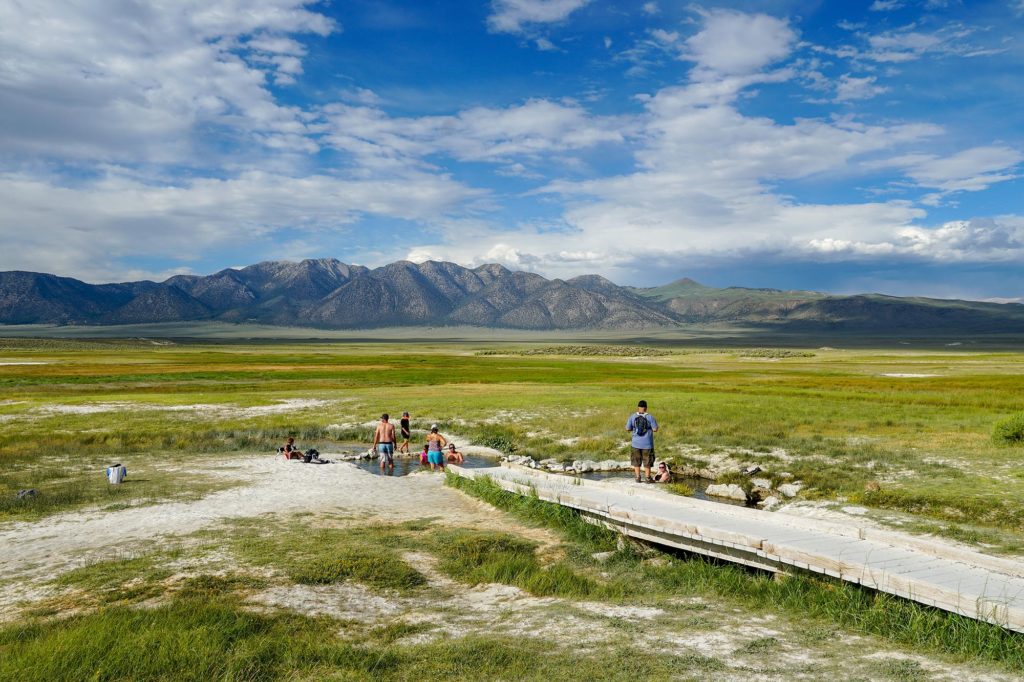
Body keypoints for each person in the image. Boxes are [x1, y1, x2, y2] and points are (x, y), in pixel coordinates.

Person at [626, 399, 659, 483]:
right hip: (647, 444)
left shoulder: (633, 416)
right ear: (646, 408)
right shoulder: (650, 417)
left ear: (638, 407)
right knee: (647, 461)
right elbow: (655, 429)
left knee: (636, 461)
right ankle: (648, 478)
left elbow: (627, 428)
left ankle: (638, 477)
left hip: (635, 443)